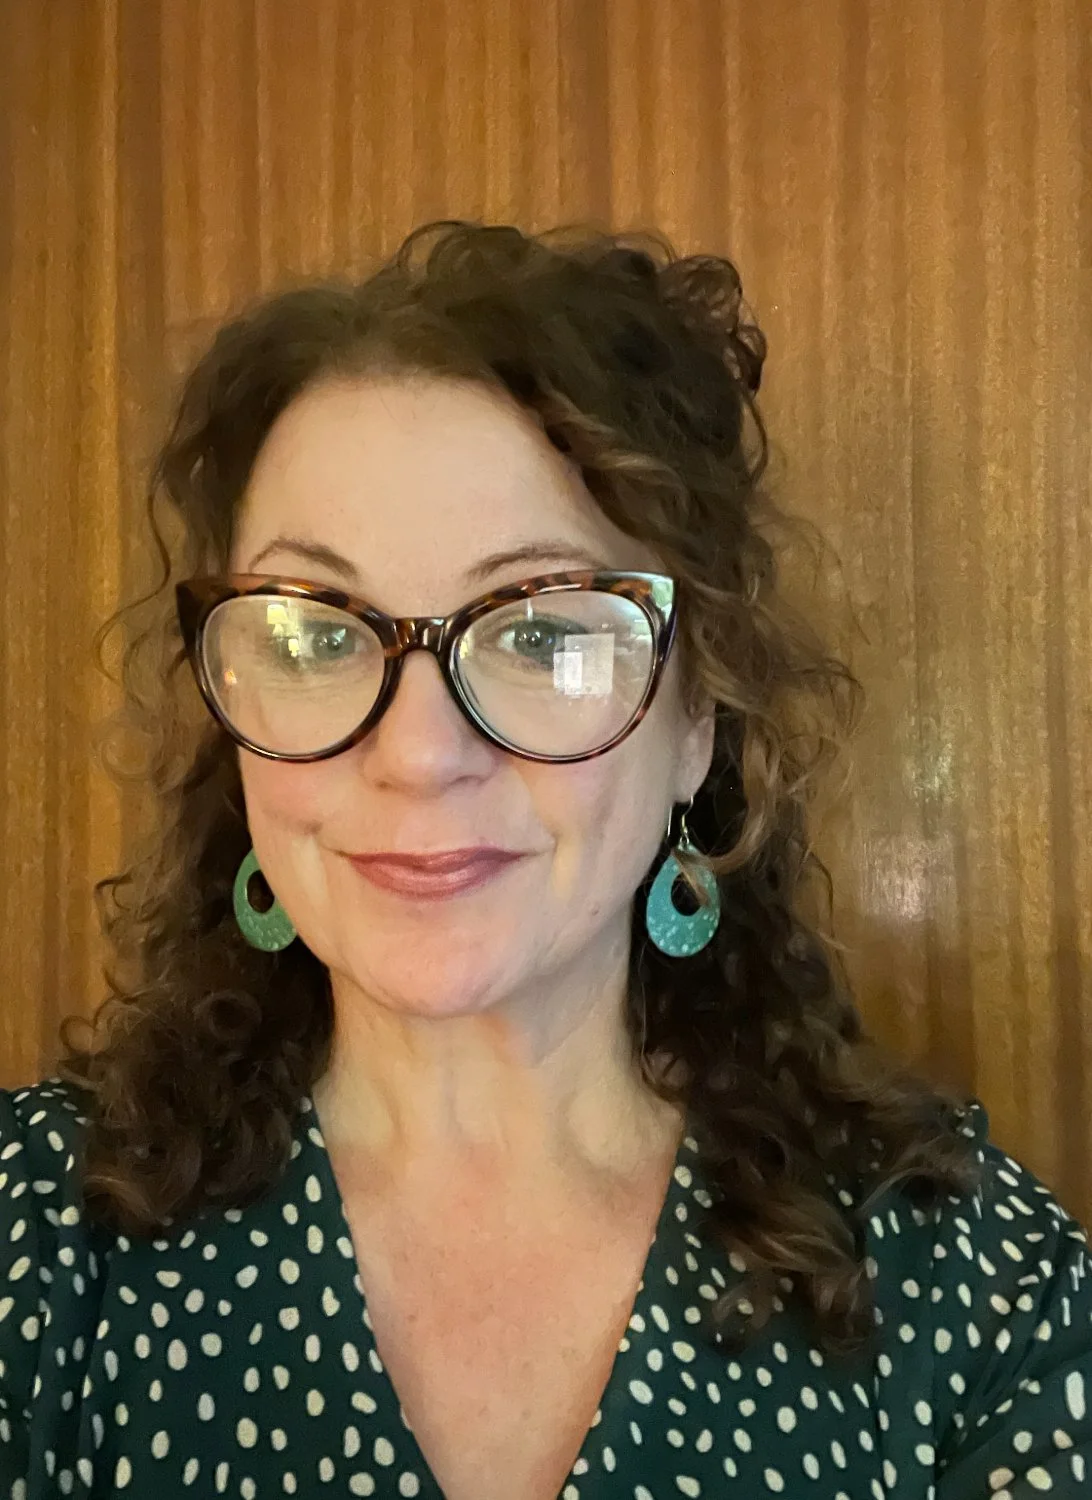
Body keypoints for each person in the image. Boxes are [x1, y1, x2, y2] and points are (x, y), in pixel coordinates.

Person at [1, 220, 1089, 1500]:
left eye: (543, 635)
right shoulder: (35, 1239)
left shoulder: (970, 1294)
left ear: (699, 721)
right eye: (313, 638)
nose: (419, 754)